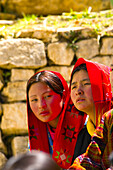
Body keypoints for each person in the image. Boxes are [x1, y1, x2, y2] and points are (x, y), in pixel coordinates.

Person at [26, 70, 86, 169]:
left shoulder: (84, 128)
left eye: (47, 96)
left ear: (63, 95)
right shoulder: (35, 138)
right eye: (34, 100)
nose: (41, 105)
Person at [69, 58, 112, 160]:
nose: (78, 91)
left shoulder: (111, 122)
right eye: (74, 86)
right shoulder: (81, 136)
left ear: (102, 87)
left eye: (86, 84)